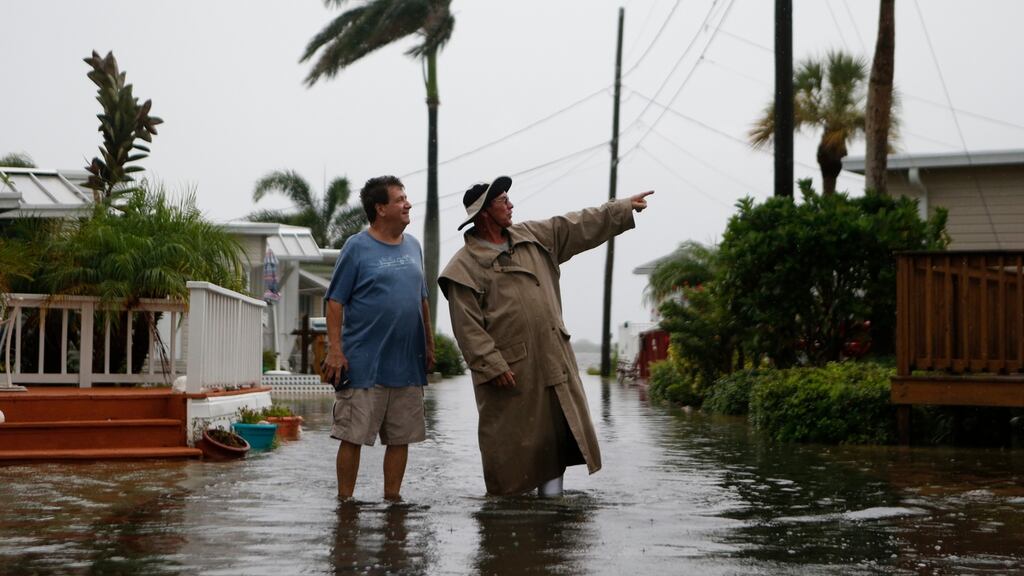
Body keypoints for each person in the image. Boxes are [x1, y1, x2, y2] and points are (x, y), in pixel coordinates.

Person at [439, 176, 652, 496]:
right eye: (502, 201)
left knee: (555, 441)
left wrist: (620, 209)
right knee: (513, 449)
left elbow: (576, 225)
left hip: (553, 361)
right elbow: (467, 327)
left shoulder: (534, 236)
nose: (511, 205)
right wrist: (492, 365)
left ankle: (552, 514)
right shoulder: (463, 267)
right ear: (483, 213)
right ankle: (509, 520)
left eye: (509, 199)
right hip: (511, 374)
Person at [323, 175, 435, 500]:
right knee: (352, 436)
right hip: (363, 362)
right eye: (400, 199)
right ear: (380, 208)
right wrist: (335, 351)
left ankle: (393, 501)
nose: (408, 203)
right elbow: (335, 301)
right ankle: (345, 503)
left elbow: (422, 299)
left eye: (406, 198)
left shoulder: (414, 246)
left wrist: (428, 345)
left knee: (401, 438)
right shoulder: (356, 247)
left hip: (407, 363)